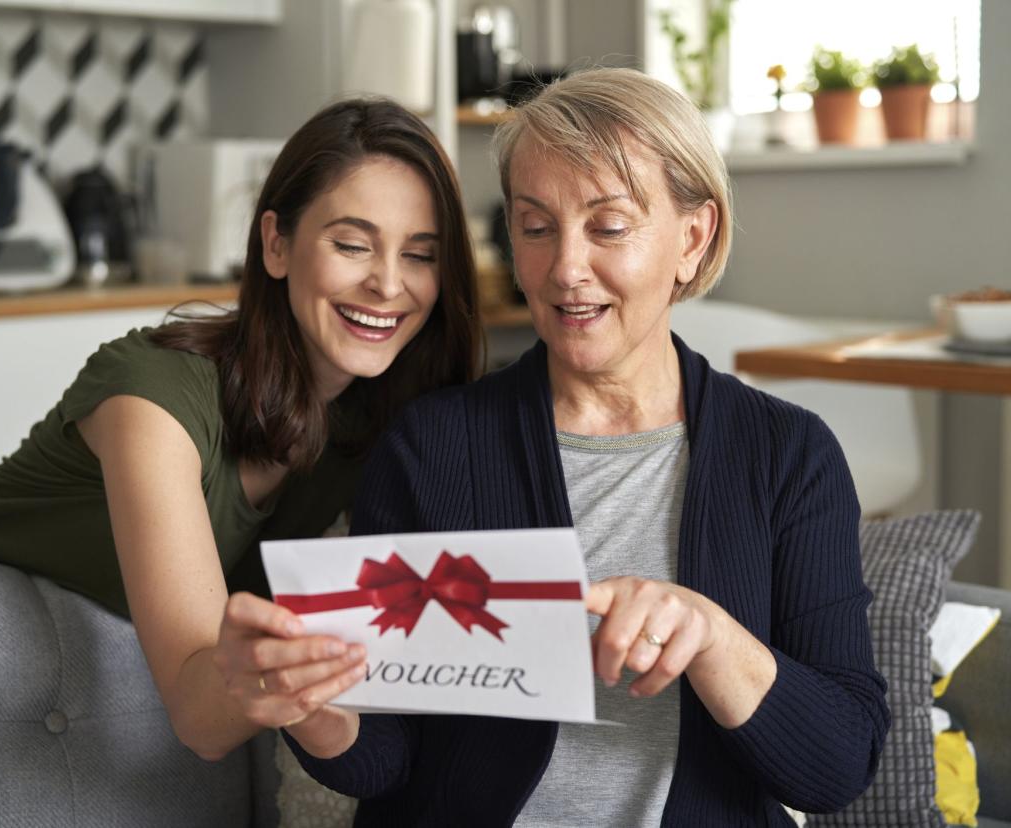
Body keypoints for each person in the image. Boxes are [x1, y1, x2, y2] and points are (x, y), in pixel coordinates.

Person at [275, 69, 890, 825]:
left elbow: (837, 764)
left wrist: (711, 638)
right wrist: (309, 704)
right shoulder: (432, 447)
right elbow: (387, 756)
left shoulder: (789, 456)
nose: (565, 268)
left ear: (692, 239)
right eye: (536, 227)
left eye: (608, 227)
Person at [0, 98, 481, 762]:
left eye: (420, 255)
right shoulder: (151, 398)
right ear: (276, 244)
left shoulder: (384, 417)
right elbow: (200, 717)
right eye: (353, 245)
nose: (388, 283)